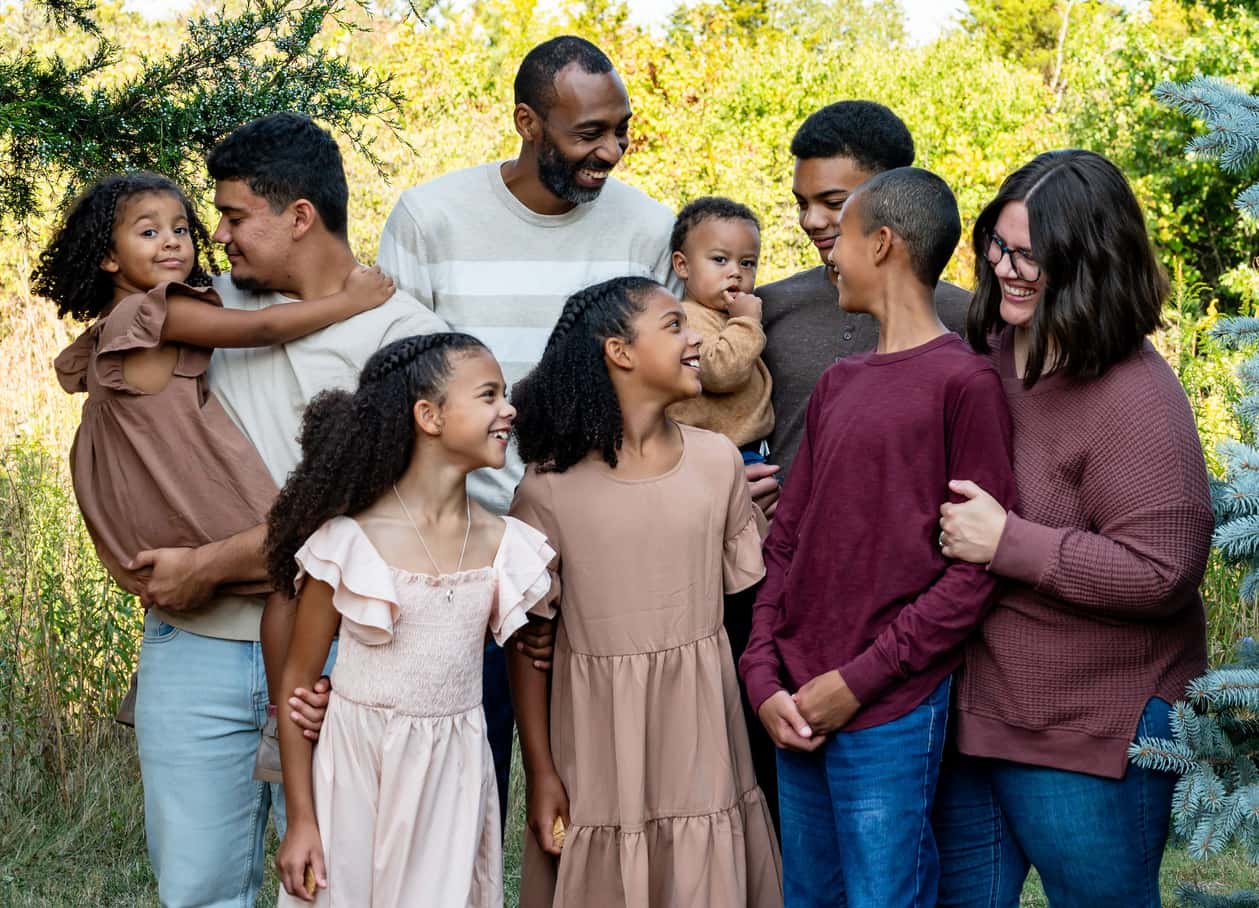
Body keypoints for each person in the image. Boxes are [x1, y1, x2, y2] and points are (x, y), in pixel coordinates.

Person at [121, 113, 446, 908]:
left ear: (299, 215)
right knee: (197, 889)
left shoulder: (408, 341)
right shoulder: (202, 314)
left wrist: (208, 564)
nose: (218, 235)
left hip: (343, 654)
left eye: (234, 216)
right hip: (191, 645)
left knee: (338, 883)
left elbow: (386, 515)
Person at [376, 35, 677, 824]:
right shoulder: (431, 217)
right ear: (526, 121)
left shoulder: (647, 227)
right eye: (587, 134)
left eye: (620, 129)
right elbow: (395, 391)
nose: (609, 150)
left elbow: (659, 388)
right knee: (454, 800)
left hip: (598, 552)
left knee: (593, 801)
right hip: (457, 554)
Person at [42, 170, 394, 781]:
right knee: (289, 563)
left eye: (181, 228)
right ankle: (280, 721)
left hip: (164, 503)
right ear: (106, 255)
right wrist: (346, 303)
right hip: (198, 485)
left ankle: (210, 699)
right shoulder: (150, 312)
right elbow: (254, 329)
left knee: (260, 576)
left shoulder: (113, 322)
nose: (174, 241)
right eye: (148, 232)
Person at [933, 149, 1214, 907]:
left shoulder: (1135, 399)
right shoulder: (985, 355)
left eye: (1033, 256)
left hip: (1088, 727)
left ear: (1091, 262)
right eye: (998, 244)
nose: (1006, 268)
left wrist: (1008, 543)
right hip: (973, 711)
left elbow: (1162, 570)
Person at [739, 167, 1017, 907]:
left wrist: (856, 683)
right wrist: (763, 677)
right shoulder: (837, 384)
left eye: (844, 236)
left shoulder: (965, 384)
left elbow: (972, 573)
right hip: (795, 702)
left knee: (881, 896)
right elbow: (787, 545)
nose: (828, 251)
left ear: (884, 243)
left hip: (889, 709)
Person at [508, 276, 782, 907]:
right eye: (674, 326)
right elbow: (527, 646)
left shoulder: (718, 464)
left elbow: (750, 607)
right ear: (619, 352)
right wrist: (542, 772)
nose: (695, 340)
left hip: (705, 733)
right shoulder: (547, 491)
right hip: (599, 740)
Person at [268, 333, 556, 906]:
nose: (509, 408)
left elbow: (527, 662)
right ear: (429, 415)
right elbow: (299, 683)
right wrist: (301, 819)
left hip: (454, 768)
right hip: (358, 769)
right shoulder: (350, 542)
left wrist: (542, 773)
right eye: (489, 395)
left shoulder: (506, 545)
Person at [665, 196, 774, 463]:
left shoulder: (729, 315)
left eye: (747, 263)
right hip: (721, 453)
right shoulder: (686, 319)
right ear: (682, 265)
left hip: (744, 446)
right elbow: (720, 373)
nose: (735, 272)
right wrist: (747, 323)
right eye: (720, 259)